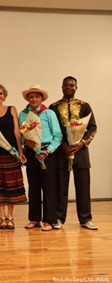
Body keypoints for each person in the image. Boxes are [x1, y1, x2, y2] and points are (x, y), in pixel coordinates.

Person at [49, 76, 98, 230]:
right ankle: (58, 218)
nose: (68, 87)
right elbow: (52, 129)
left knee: (83, 187)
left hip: (81, 153)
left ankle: (85, 219)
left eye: (72, 85)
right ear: (61, 87)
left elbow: (92, 127)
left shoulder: (85, 106)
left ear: (76, 87)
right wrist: (63, 144)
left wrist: (81, 144)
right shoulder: (54, 107)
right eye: (65, 85)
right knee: (60, 187)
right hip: (60, 152)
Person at [19, 84, 62, 232]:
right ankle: (34, 219)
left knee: (49, 187)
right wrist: (26, 142)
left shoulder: (48, 113)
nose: (34, 99)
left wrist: (47, 151)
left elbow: (58, 136)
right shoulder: (23, 114)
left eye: (37, 96)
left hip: (47, 153)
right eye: (31, 96)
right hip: (31, 153)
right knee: (34, 186)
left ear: (41, 98)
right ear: (28, 98)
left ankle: (49, 220)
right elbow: (22, 136)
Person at [0, 85, 27, 230]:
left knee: (11, 187)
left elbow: (17, 132)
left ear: (4, 96)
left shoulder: (12, 109)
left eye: (0, 93)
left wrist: (20, 151)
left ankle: (10, 217)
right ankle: (2, 218)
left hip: (12, 153)